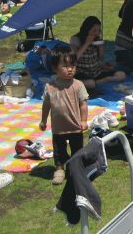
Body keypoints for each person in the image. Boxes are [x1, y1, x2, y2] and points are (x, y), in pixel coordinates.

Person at [39, 46, 89, 185]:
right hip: (58, 128)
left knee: (77, 150)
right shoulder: (50, 87)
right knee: (59, 151)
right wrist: (43, 120)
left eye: (73, 65)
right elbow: (46, 105)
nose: (70, 69)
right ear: (55, 68)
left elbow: (83, 104)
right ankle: (59, 169)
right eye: (65, 66)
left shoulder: (78, 85)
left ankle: (76, 169)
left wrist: (84, 120)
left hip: (75, 127)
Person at [70, 16, 126, 91]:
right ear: (87, 29)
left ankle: (106, 79)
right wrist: (87, 43)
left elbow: (101, 57)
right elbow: (74, 59)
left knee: (121, 75)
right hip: (82, 73)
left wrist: (100, 47)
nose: (96, 33)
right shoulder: (76, 39)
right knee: (90, 83)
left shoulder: (97, 39)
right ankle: (99, 82)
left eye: (99, 30)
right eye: (94, 30)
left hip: (96, 72)